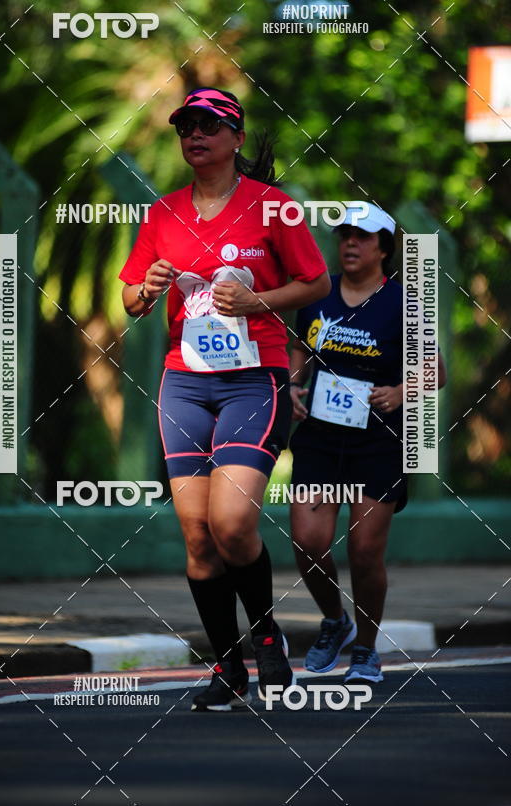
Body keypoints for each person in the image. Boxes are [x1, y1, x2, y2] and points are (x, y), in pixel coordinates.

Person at [119, 87, 330, 711]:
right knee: (197, 536)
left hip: (252, 378)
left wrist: (259, 302)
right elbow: (130, 298)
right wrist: (147, 289)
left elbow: (314, 280)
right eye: (185, 126)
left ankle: (266, 634)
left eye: (210, 126)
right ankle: (228, 665)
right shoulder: (162, 213)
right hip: (184, 380)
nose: (195, 135)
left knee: (233, 522)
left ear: (237, 138)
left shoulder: (274, 209)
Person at [289, 204, 446, 683]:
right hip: (319, 436)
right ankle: (334, 621)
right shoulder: (318, 294)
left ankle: (366, 648)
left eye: (363, 237)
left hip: (379, 440)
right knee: (308, 541)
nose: (351, 244)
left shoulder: (403, 301)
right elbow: (299, 351)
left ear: (383, 248)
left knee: (363, 549)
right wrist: (293, 385)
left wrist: (399, 391)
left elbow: (435, 371)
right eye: (345, 236)